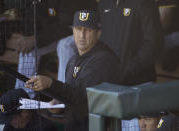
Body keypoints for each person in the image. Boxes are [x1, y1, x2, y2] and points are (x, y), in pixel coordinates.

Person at [25, 10, 121, 131]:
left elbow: (80, 96)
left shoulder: (104, 59)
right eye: (78, 29)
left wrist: (51, 83)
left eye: (88, 30)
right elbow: (71, 93)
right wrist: (59, 101)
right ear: (73, 31)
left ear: (98, 33)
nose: (82, 35)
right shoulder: (73, 59)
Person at [98, 0, 164, 130]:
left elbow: (154, 44)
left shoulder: (144, 3)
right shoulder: (103, 4)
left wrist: (125, 71)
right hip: (110, 87)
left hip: (138, 85)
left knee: (141, 126)